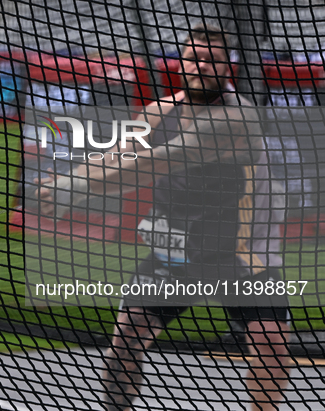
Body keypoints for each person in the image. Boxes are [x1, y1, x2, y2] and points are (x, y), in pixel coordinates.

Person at [35, 23, 290, 410]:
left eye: (212, 60)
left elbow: (160, 161)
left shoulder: (239, 119)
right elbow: (121, 156)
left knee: (270, 342)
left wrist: (76, 187)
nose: (201, 65)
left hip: (241, 254)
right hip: (177, 250)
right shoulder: (159, 112)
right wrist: (73, 179)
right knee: (126, 337)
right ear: (181, 63)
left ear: (227, 70)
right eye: (193, 57)